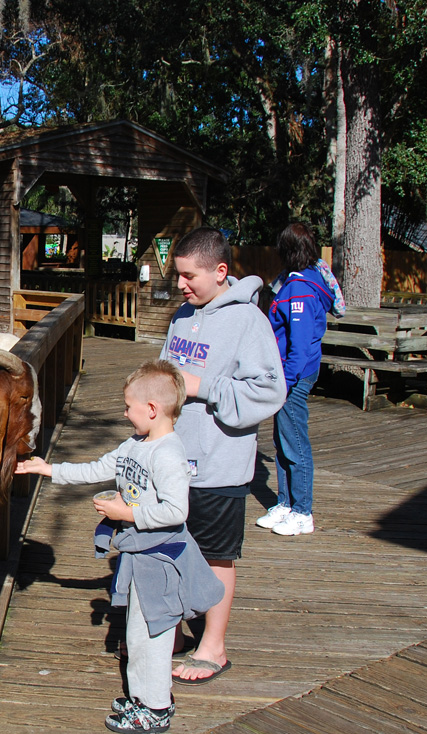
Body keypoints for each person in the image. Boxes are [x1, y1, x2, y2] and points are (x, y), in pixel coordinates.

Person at [16, 360, 223, 734]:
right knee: (135, 634)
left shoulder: (168, 454)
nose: (125, 413)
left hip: (160, 559)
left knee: (153, 638)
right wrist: (49, 470)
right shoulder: (134, 445)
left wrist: (126, 512)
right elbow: (97, 469)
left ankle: (156, 708)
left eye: (129, 406)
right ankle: (142, 696)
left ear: (153, 409)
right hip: (138, 555)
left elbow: (177, 510)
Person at [158, 226, 286, 684]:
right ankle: (169, 632)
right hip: (174, 461)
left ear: (221, 271)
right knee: (168, 546)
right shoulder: (182, 314)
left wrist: (202, 386)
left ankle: (213, 646)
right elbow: (167, 372)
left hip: (219, 465)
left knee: (215, 557)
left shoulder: (248, 321)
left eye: (189, 276)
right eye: (178, 275)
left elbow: (271, 391)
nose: (181, 285)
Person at [258, 223, 331, 537]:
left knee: (295, 444)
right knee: (282, 440)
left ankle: (303, 512)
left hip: (293, 377)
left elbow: (299, 346)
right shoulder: (300, 281)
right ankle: (286, 503)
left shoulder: (300, 290)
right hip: (288, 374)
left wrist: (284, 383)